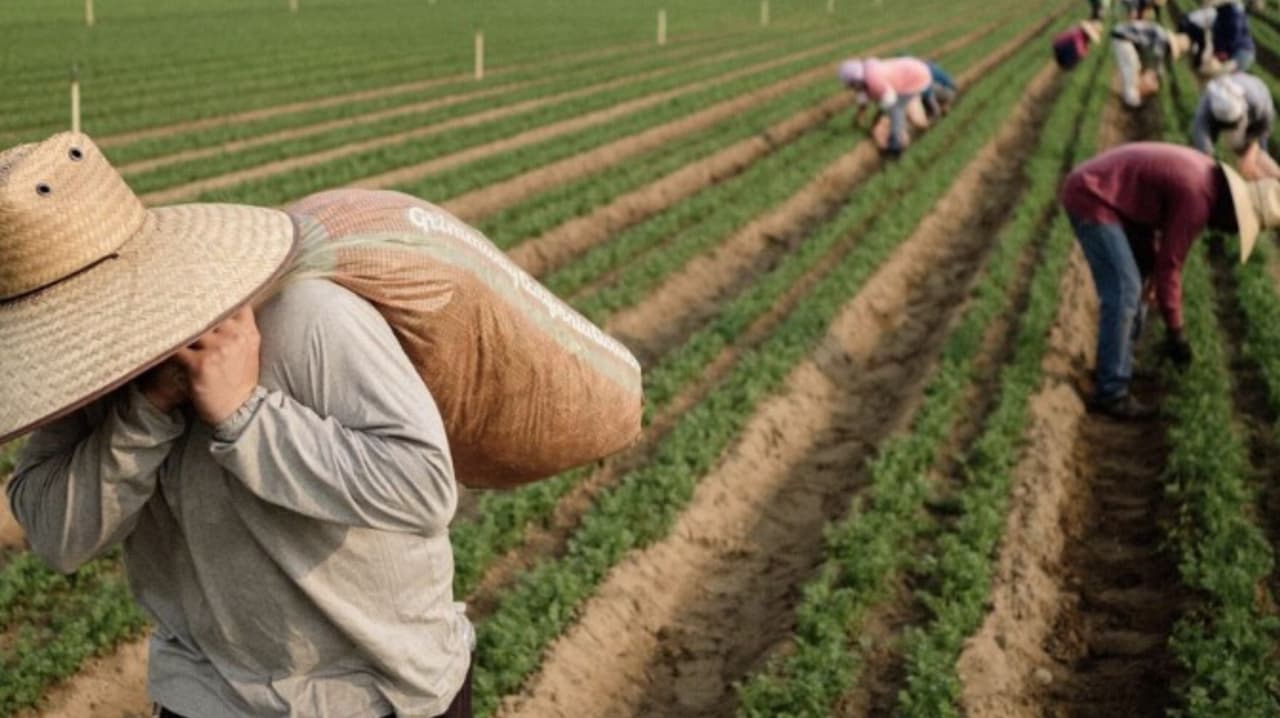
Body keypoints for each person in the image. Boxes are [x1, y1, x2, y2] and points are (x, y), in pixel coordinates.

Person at [2, 133, 474, 717]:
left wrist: (247, 418)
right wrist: (146, 412)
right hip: (209, 694)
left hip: (378, 695)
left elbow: (423, 486)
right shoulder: (81, 382)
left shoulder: (309, 320)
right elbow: (57, 538)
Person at [1059, 142, 1280, 419]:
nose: (1230, 232)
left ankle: (1117, 363)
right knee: (1125, 288)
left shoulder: (1207, 180)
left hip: (1117, 201)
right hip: (1093, 196)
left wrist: (1153, 271)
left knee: (1139, 281)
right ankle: (1111, 392)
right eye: (1239, 226)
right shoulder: (1198, 198)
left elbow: (1157, 235)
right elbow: (1170, 267)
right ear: (1236, 213)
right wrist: (1177, 332)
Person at [1190, 72, 1280, 179]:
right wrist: (1207, 158)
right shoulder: (1207, 104)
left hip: (1258, 103)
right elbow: (1200, 133)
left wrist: (1251, 150)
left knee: (1259, 150)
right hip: (1226, 111)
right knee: (1207, 153)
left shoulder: (1257, 102)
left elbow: (1264, 127)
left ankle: (1268, 179)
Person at [838, 56, 934, 155]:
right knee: (896, 108)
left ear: (856, 80)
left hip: (915, 77)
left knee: (896, 109)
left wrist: (875, 121)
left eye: (851, 85)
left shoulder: (875, 81)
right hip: (908, 70)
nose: (850, 88)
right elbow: (863, 95)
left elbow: (888, 102)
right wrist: (859, 116)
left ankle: (896, 143)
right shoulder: (865, 74)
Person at [1110, 21, 1191, 108]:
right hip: (1123, 39)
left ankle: (1130, 96)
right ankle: (1131, 101)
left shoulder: (1162, 38)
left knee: (1135, 67)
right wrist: (1157, 77)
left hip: (1127, 39)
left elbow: (1152, 57)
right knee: (1131, 67)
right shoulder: (1161, 38)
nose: (1169, 53)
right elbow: (1157, 59)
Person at [1211, 0, 1256, 73]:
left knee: (1217, 73)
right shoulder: (1226, 12)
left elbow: (1234, 33)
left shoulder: (1232, 13)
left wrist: (1222, 50)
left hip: (1241, 52)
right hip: (1242, 51)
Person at [1178, 4, 1218, 73]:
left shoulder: (1212, 10)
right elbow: (1208, 32)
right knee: (1204, 44)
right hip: (1187, 25)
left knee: (1202, 41)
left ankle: (1196, 63)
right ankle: (1196, 66)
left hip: (1185, 20)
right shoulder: (1215, 15)